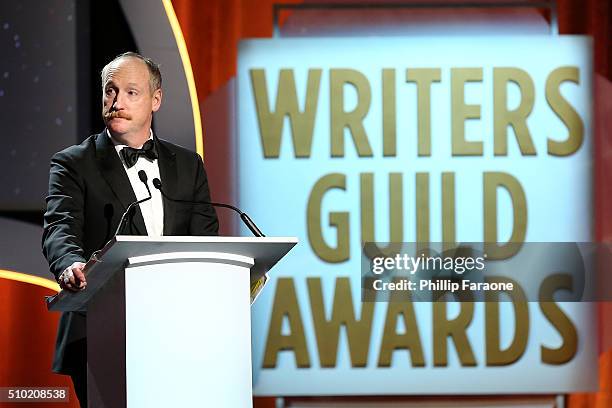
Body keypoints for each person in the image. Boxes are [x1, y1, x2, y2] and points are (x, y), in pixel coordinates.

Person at [41, 52, 218, 407]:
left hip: (178, 334)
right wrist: (70, 264)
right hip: (100, 333)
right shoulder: (74, 162)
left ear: (156, 99)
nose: (116, 102)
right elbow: (60, 226)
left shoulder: (188, 165)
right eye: (110, 91)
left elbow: (205, 241)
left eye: (131, 92)